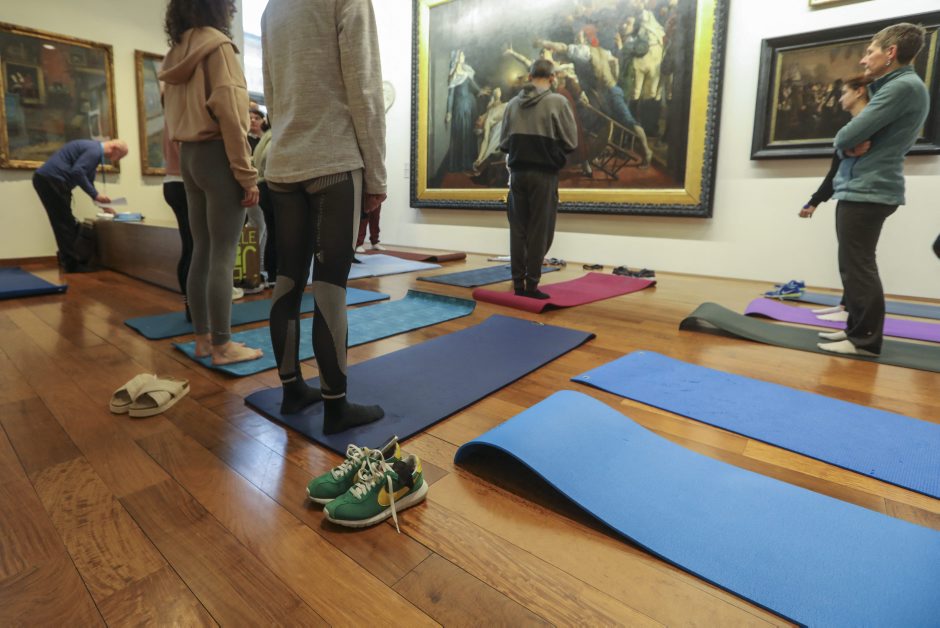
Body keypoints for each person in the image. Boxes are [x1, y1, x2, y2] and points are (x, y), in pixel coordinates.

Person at [261, 0, 387, 433]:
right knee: (330, 287)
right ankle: (336, 407)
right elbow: (365, 88)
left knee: (287, 281)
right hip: (332, 158)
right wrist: (377, 174)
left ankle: (292, 390)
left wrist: (286, 135)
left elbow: (271, 92)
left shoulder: (271, 9)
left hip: (283, 163)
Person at [160, 0, 263, 366]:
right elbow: (232, 116)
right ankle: (223, 346)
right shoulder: (218, 47)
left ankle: (203, 340)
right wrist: (247, 175)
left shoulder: (174, 55)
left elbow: (171, 115)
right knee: (223, 252)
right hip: (217, 154)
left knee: (202, 249)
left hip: (188, 156)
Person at [817, 23, 929, 357]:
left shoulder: (902, 87)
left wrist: (845, 144)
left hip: (869, 188)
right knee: (852, 263)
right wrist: (847, 148)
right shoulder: (898, 86)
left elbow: (845, 136)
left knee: (859, 265)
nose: (864, 60)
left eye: (870, 52)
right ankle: (855, 329)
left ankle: (865, 340)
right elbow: (849, 143)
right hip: (864, 187)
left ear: (890, 52)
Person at [499, 58, 578, 299]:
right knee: (540, 231)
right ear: (552, 78)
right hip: (543, 175)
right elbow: (571, 142)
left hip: (517, 175)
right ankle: (532, 286)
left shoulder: (512, 104)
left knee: (518, 230)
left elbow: (504, 143)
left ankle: (518, 284)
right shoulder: (558, 102)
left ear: (530, 76)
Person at [797, 75, 871, 320]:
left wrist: (844, 149)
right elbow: (835, 171)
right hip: (848, 193)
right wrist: (814, 202)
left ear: (859, 92)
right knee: (849, 257)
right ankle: (845, 306)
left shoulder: (870, 123)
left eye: (844, 92)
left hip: (863, 197)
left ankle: (855, 315)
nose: (840, 99)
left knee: (856, 260)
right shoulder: (853, 128)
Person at [32, 139, 128, 272]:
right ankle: (72, 265)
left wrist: (103, 205)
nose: (117, 160)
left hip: (48, 180)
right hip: (52, 180)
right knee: (64, 223)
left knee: (65, 222)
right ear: (115, 148)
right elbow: (77, 172)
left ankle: (67, 259)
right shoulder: (95, 151)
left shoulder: (93, 150)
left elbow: (88, 181)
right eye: (120, 156)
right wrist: (96, 195)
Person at [162, 119, 193, 320]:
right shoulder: (183, 115)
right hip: (184, 183)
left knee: (190, 247)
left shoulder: (170, 118)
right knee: (195, 249)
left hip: (172, 183)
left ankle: (190, 305)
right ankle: (194, 307)